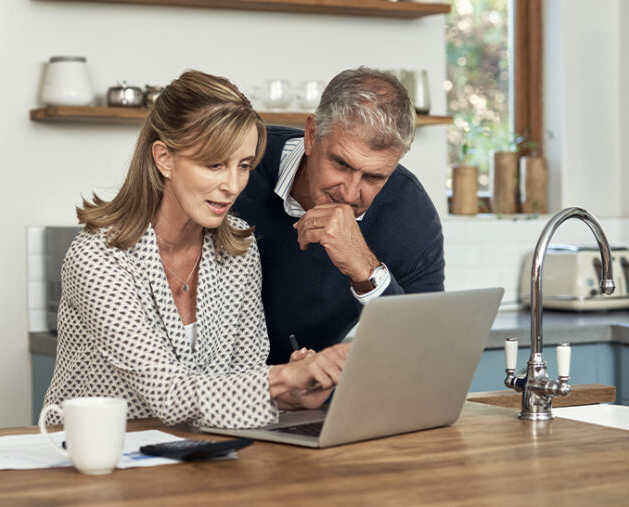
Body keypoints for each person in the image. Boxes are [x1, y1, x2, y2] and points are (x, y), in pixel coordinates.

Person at [43, 70, 349, 429]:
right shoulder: (98, 258)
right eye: (214, 164)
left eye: (244, 166)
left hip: (196, 457)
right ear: (164, 159)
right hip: (95, 458)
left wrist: (288, 396)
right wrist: (283, 378)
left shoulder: (239, 251)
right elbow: (168, 394)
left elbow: (241, 377)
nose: (233, 185)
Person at [233, 67, 445, 365]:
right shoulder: (241, 164)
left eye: (373, 177)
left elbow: (423, 351)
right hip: (210, 390)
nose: (349, 192)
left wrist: (367, 271)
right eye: (341, 164)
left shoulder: (410, 214)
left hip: (310, 396)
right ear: (311, 135)